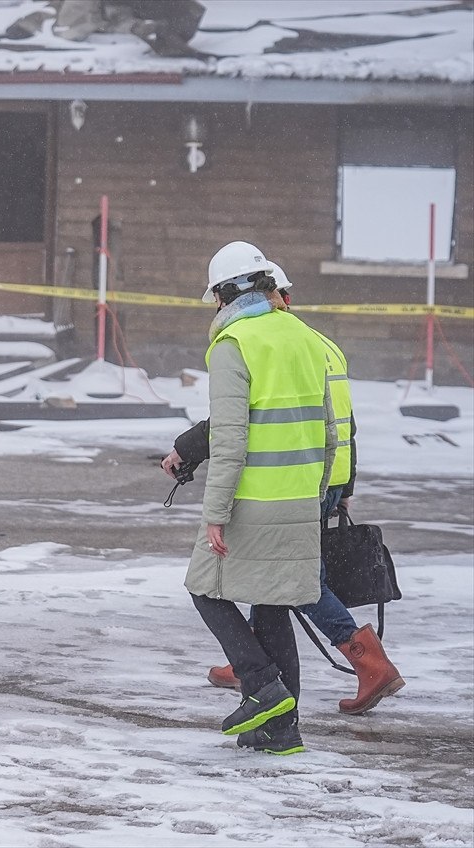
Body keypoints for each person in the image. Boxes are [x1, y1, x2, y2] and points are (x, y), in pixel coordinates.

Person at [164, 263, 404, 715]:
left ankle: (364, 657)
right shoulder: (318, 342)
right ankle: (257, 663)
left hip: (291, 478)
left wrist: (188, 453)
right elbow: (341, 422)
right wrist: (343, 481)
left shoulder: (261, 342)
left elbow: (240, 424)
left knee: (295, 579)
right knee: (276, 576)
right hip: (321, 473)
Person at [184, 241, 338, 756]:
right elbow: (332, 431)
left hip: (254, 500)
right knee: (272, 608)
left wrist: (215, 513)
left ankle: (263, 687)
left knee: (205, 587)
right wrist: (315, 496)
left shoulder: (234, 344)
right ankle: (281, 729)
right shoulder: (305, 337)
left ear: (225, 293)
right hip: (299, 497)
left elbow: (229, 439)